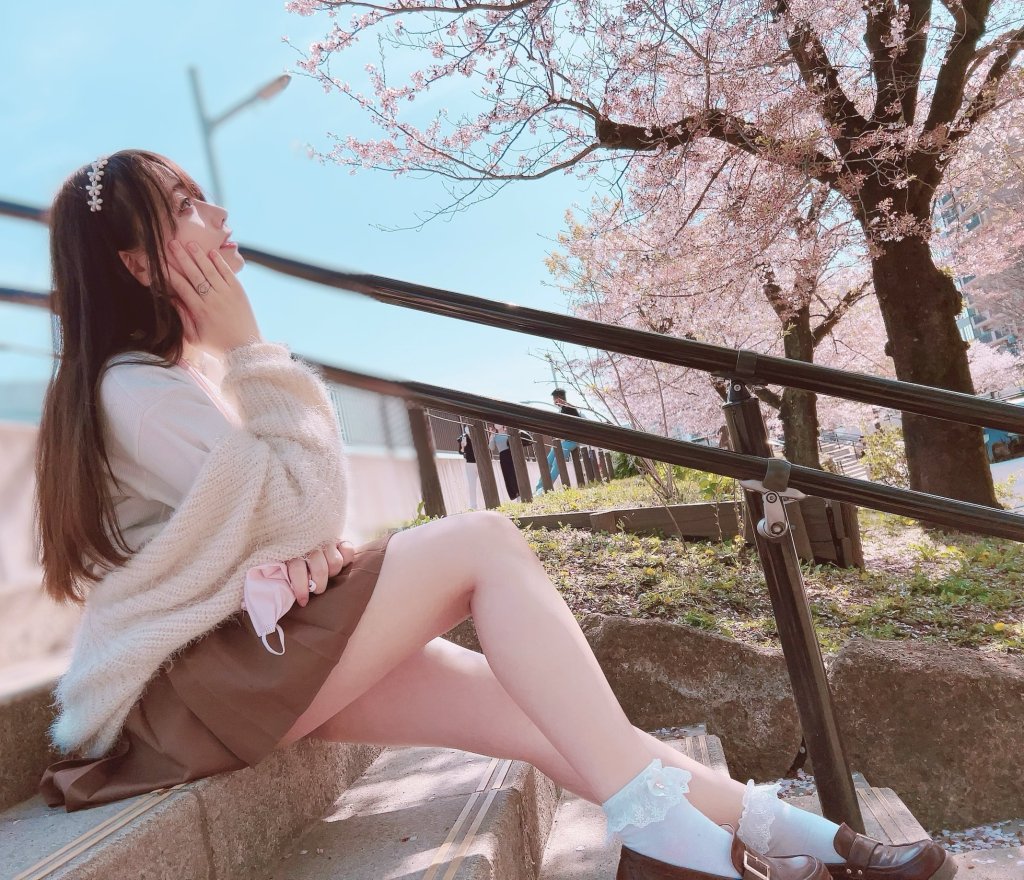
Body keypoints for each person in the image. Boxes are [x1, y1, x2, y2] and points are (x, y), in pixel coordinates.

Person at [33, 150, 951, 880]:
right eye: (189, 204)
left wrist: (300, 539)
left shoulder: (161, 386)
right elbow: (296, 507)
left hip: (239, 661)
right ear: (140, 262)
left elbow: (273, 524)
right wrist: (253, 349)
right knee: (483, 538)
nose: (222, 216)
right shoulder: (137, 391)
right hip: (199, 691)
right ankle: (668, 839)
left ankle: (806, 838)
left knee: (537, 718)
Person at [535, 388, 581, 494]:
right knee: (548, 461)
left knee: (557, 462)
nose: (554, 401)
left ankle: (545, 489)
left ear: (559, 398)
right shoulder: (563, 409)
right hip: (565, 441)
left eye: (555, 399)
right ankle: (539, 488)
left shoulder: (569, 408)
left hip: (572, 441)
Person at [458, 424, 479, 509]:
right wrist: (463, 446)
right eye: (467, 428)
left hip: (480, 463)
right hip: (470, 464)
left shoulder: (478, 436)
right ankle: (473, 505)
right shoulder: (463, 438)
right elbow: (461, 452)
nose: (468, 429)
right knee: (472, 485)